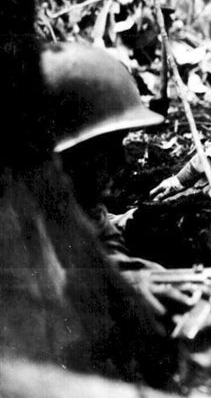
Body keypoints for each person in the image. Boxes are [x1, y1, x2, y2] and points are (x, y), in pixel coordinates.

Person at [41, 42, 165, 268]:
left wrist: (138, 275)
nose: (121, 161)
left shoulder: (79, 201)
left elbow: (105, 243)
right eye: (103, 149)